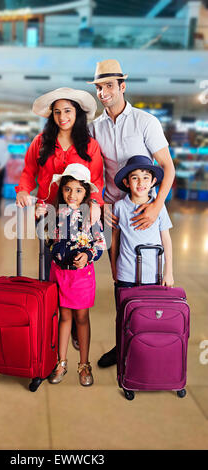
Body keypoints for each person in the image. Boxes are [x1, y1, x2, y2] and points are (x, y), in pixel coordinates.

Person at [87, 59, 176, 368]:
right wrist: (101, 205)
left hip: (145, 210)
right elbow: (93, 174)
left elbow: (167, 167)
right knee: (121, 281)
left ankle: (148, 343)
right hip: (114, 214)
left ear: (122, 86)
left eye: (109, 86)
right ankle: (122, 343)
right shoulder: (95, 128)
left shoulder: (145, 122)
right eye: (99, 87)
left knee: (150, 282)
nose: (103, 92)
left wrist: (156, 206)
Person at [15, 87, 104, 282]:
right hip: (47, 212)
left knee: (75, 268)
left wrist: (95, 203)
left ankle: (73, 307)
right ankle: (50, 308)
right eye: (57, 112)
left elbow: (96, 179)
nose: (62, 116)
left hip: (78, 214)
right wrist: (23, 191)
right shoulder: (41, 142)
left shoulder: (90, 145)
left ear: (77, 113)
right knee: (49, 263)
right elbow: (29, 171)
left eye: (67, 111)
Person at [36, 164, 106, 386]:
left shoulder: (90, 216)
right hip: (59, 275)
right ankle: (61, 362)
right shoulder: (55, 213)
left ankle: (84, 364)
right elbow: (45, 236)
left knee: (81, 318)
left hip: (82, 277)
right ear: (61, 190)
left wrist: (87, 254)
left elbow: (101, 244)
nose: (72, 194)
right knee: (63, 317)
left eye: (78, 190)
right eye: (67, 189)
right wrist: (38, 217)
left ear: (86, 192)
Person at [111, 155, 174, 298]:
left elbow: (166, 240)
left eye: (146, 177)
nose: (141, 182)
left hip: (154, 274)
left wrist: (168, 272)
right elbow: (114, 239)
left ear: (153, 182)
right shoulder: (119, 207)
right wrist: (114, 268)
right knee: (125, 315)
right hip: (126, 273)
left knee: (149, 317)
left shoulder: (159, 208)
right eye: (135, 178)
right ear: (126, 182)